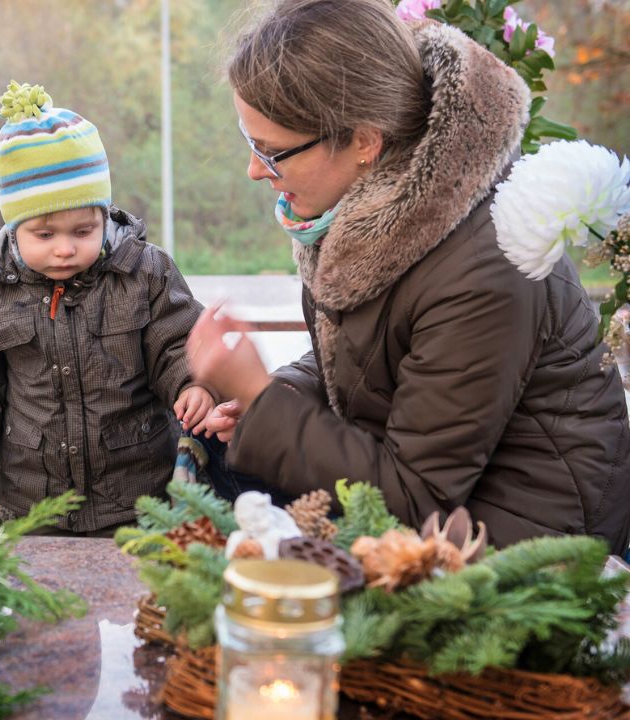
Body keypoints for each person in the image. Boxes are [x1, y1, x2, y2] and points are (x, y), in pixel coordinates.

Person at [185, 0, 630, 551]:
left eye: (273, 152)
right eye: (250, 143)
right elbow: (368, 361)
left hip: (526, 546)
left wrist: (260, 397)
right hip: (438, 505)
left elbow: (415, 497)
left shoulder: (481, 266)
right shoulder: (376, 209)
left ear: (365, 142)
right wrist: (273, 392)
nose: (255, 170)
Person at [0, 81, 214, 536]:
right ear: (14, 226)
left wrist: (194, 384)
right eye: (45, 235)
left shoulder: (144, 274)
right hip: (30, 499)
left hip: (137, 491)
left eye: (83, 231)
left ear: (104, 216)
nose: (65, 249)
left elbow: (179, 342)